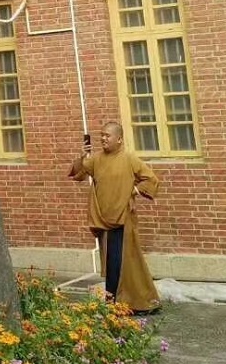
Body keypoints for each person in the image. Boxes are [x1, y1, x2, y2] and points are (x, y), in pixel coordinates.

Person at [69, 121, 161, 314]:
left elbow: (151, 179)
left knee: (126, 262)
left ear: (119, 139)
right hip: (104, 219)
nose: (103, 138)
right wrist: (82, 155)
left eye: (107, 135)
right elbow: (79, 173)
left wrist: (134, 191)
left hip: (123, 219)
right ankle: (114, 303)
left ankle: (137, 301)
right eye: (102, 135)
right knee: (111, 263)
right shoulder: (96, 159)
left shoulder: (129, 159)